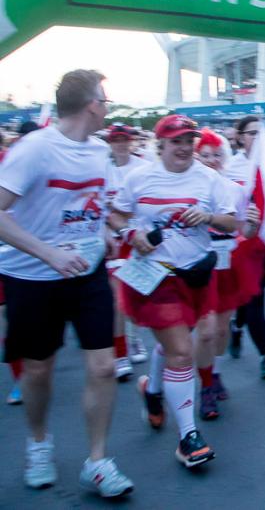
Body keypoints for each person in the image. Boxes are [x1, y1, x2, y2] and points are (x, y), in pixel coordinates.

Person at [0, 69, 134, 497]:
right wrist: (49, 253)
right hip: (33, 276)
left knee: (104, 365)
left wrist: (106, 232)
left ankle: (97, 462)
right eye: (105, 101)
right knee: (38, 370)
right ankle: (39, 443)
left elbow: (94, 206)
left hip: (86, 272)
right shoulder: (35, 149)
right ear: (91, 105)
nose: (107, 108)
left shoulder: (98, 151)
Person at [109, 114, 236, 469]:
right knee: (181, 351)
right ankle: (188, 438)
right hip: (155, 276)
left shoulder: (209, 178)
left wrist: (207, 217)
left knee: (173, 345)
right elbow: (115, 215)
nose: (183, 148)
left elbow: (231, 221)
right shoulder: (139, 178)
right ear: (160, 144)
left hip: (195, 275)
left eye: (188, 141)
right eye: (176, 141)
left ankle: (152, 390)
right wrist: (131, 234)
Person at [193, 129, 261, 419]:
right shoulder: (188, 189)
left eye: (216, 154)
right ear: (196, 157)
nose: (212, 160)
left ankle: (215, 373)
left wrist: (253, 224)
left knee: (221, 329)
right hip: (198, 266)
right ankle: (204, 386)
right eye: (205, 155)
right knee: (205, 331)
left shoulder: (235, 189)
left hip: (228, 265)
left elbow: (246, 231)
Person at [226, 115, 265, 378]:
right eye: (251, 133)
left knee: (254, 292)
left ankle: (236, 326)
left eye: (260, 133)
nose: (256, 137)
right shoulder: (231, 166)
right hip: (242, 242)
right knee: (255, 296)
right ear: (240, 137)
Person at [104, 123, 151, 380]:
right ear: (110, 143)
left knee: (135, 295)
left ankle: (133, 338)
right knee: (117, 298)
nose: (121, 144)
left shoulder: (143, 167)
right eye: (116, 140)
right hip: (112, 240)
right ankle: (120, 352)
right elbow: (98, 206)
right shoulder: (102, 169)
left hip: (138, 239)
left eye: (125, 139)